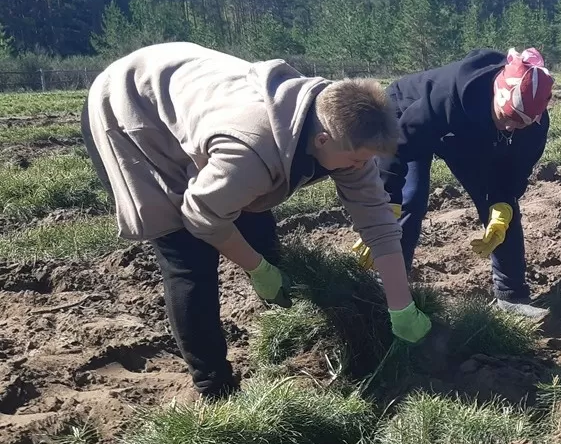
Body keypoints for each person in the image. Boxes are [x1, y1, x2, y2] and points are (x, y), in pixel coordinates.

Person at [81, 43, 428, 400]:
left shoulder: (346, 133)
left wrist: (401, 306)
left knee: (257, 225)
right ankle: (214, 388)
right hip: (132, 106)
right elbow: (201, 217)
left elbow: (378, 222)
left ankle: (294, 335)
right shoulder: (250, 150)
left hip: (201, 100)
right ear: (322, 140)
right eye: (357, 160)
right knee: (188, 258)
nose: (361, 167)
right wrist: (257, 268)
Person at [360, 48, 554, 319]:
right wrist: (384, 208)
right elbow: (396, 149)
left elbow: (513, 171)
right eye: (507, 118)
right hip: (407, 119)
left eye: (520, 125)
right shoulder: (452, 94)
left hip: (464, 137)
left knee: (500, 208)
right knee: (409, 200)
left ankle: (512, 295)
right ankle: (388, 289)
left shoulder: (532, 125)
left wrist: (501, 202)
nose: (511, 128)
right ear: (497, 94)